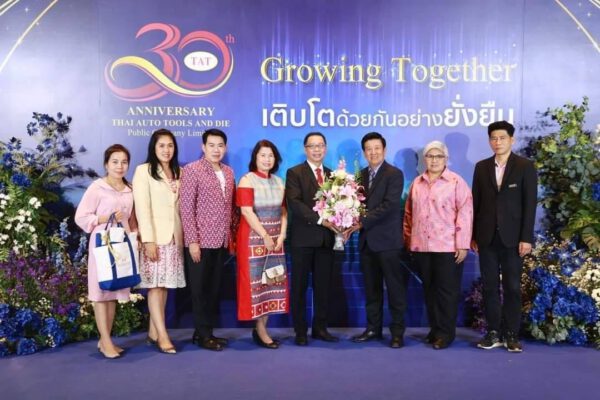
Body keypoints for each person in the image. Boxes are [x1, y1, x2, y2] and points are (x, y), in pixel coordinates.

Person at [472, 120, 537, 352]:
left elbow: (530, 204)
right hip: (486, 237)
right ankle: (493, 332)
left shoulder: (525, 166)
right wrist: (473, 235)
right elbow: (476, 203)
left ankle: (511, 333)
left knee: (512, 288)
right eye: (493, 138)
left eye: (502, 138)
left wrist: (526, 237)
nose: (497, 142)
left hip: (513, 238)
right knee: (489, 287)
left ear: (512, 140)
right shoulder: (481, 167)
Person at [403, 141, 473, 350]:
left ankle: (446, 333)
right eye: (430, 156)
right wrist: (409, 241)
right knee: (429, 291)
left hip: (447, 247)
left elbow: (466, 213)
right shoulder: (417, 183)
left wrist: (463, 244)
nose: (434, 160)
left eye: (439, 156)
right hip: (422, 247)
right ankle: (435, 330)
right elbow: (408, 215)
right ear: (424, 159)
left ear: (446, 159)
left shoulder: (456, 182)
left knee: (446, 292)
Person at [346, 132, 408, 348]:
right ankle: (373, 329)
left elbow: (389, 205)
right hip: (367, 243)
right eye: (368, 149)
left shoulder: (394, 174)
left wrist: (361, 222)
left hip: (388, 242)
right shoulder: (359, 176)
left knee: (395, 290)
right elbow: (354, 205)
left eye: (377, 148)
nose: (373, 152)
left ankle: (397, 333)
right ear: (364, 152)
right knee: (372, 290)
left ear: (384, 150)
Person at [75, 144, 137, 359]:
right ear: (106, 164)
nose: (120, 166)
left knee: (113, 291)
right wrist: (103, 218)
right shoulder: (97, 187)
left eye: (124, 162)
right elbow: (81, 217)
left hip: (121, 243)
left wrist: (135, 238)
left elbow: (132, 218)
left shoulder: (130, 189)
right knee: (101, 293)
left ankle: (105, 340)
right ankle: (106, 341)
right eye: (115, 162)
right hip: (102, 243)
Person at [179, 129, 238, 351]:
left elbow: (230, 208)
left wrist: (231, 238)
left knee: (214, 290)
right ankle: (204, 336)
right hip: (200, 242)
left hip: (221, 240)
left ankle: (205, 332)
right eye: (211, 145)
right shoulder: (192, 170)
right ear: (203, 147)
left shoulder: (229, 172)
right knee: (199, 290)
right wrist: (192, 241)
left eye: (220, 145)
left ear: (225, 148)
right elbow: (186, 208)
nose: (216, 149)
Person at [132, 129, 185, 354]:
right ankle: (163, 336)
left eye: (170, 145)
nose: (166, 150)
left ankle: (153, 332)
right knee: (154, 287)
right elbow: (142, 208)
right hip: (154, 237)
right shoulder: (143, 171)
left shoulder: (179, 171)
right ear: (153, 147)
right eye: (162, 145)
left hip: (174, 237)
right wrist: (148, 240)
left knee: (164, 286)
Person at [285, 132, 339, 346]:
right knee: (299, 287)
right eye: (312, 146)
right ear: (305, 149)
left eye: (320, 145)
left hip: (326, 240)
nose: (317, 150)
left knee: (323, 287)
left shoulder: (333, 175)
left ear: (325, 148)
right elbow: (295, 203)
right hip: (303, 240)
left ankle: (320, 328)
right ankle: (300, 330)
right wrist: (320, 220)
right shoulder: (294, 173)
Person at [236, 140, 289, 349]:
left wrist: (282, 234)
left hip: (276, 241)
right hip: (254, 239)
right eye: (263, 155)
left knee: (271, 283)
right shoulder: (247, 180)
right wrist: (265, 235)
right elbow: (246, 211)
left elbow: (283, 210)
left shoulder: (279, 181)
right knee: (257, 284)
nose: (267, 159)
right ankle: (260, 330)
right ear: (255, 158)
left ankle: (262, 328)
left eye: (271, 155)